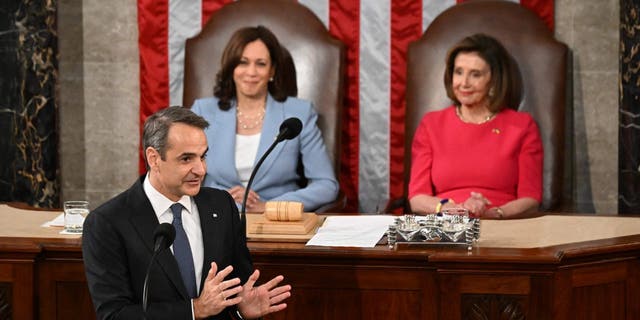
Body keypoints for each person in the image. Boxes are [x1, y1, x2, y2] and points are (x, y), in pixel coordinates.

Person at [82, 107, 291, 319]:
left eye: (203, 157)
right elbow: (113, 315)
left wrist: (240, 312)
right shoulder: (107, 223)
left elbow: (236, 290)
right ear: (154, 158)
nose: (200, 169)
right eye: (186, 159)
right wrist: (194, 310)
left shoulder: (221, 206)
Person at [190, 25, 338, 213]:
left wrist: (270, 206)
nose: (251, 72)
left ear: (272, 71)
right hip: (215, 217)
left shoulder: (299, 112)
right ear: (231, 67)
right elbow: (181, 174)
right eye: (243, 62)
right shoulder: (203, 111)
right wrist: (221, 198)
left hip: (274, 222)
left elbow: (326, 185)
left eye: (260, 64)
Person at [408, 33, 543, 219]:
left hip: (504, 224)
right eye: (459, 72)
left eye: (475, 74)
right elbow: (417, 198)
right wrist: (453, 210)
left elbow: (531, 198)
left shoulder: (522, 126)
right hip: (447, 226)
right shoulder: (431, 124)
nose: (464, 83)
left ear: (494, 80)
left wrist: (494, 213)